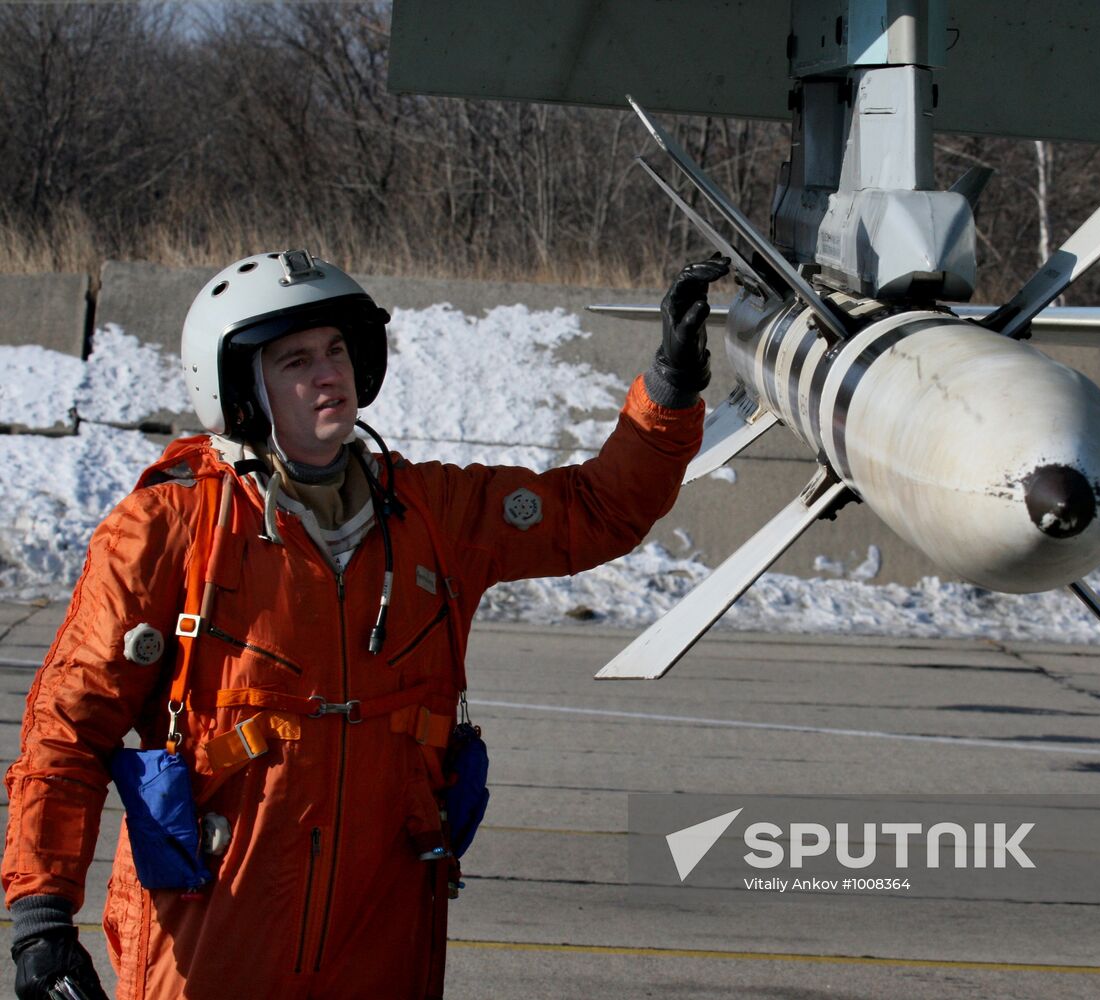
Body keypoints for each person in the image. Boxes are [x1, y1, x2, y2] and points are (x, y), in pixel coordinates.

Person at [3, 249, 729, 999]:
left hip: (381, 939)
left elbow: (595, 511)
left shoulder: (431, 514)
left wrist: (669, 391)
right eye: (295, 361)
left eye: (337, 351)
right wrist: (42, 916)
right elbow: (68, 724)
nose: (328, 374)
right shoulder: (168, 527)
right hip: (213, 942)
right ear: (239, 391)